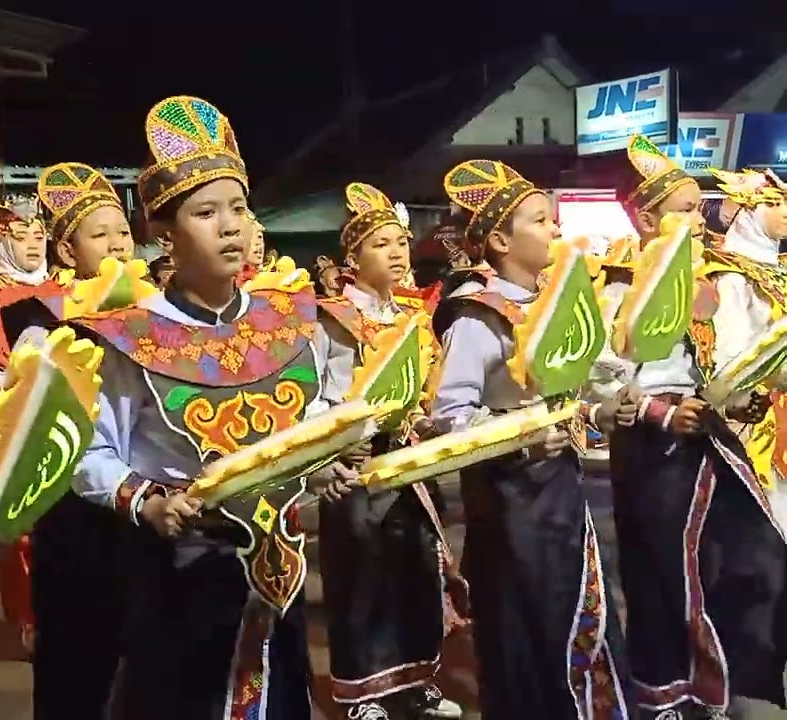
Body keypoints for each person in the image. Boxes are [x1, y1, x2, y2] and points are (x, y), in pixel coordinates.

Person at [71, 95, 327, 720]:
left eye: (239, 208)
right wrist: (148, 501)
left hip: (275, 563)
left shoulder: (290, 321)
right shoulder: (129, 335)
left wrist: (329, 461)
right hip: (178, 571)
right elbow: (91, 451)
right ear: (164, 232)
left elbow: (317, 418)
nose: (231, 226)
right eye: (206, 213)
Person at [590, 136, 787, 718]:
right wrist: (664, 413)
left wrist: (739, 401)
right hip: (653, 441)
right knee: (660, 566)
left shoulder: (705, 279)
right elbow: (601, 377)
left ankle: (733, 677)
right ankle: (665, 690)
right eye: (681, 209)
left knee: (752, 553)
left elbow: (718, 362)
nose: (696, 219)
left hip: (706, 431)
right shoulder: (624, 282)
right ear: (646, 219)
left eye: (698, 207)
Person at [430, 159, 629, 718]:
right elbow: (449, 412)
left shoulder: (552, 306)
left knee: (574, 604)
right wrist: (518, 439)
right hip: (507, 493)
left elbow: (575, 386)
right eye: (541, 221)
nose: (556, 231)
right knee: (521, 617)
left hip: (560, 485)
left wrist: (607, 407)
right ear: (499, 239)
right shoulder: (478, 317)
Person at [315, 182, 463, 720]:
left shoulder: (412, 315)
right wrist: (336, 447)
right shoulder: (331, 318)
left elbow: (427, 388)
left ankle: (414, 680)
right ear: (352, 259)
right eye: (382, 244)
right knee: (361, 578)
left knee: (414, 570)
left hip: (409, 460)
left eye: (401, 242)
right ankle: (362, 693)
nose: (398, 252)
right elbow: (321, 396)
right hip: (358, 464)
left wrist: (427, 421)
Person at [0, 160, 138, 719]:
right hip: (73, 509)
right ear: (65, 252)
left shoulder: (156, 314)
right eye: (98, 235)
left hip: (147, 508)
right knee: (77, 664)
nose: (117, 244)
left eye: (123, 231)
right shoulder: (36, 316)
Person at [704, 166, 787, 525]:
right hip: (757, 419)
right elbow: (731, 356)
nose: (786, 212)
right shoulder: (731, 274)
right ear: (747, 210)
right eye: (774, 203)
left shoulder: (779, 268)